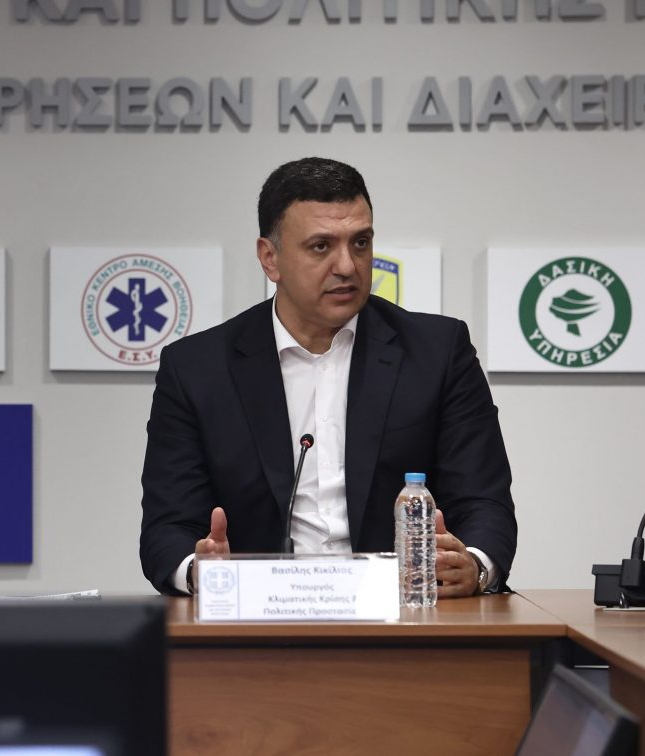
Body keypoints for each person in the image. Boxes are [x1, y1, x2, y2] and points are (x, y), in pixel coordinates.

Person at [139, 157, 516, 598]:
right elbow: (167, 527)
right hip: (258, 615)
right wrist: (198, 571)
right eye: (321, 246)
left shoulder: (437, 352)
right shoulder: (198, 369)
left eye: (360, 243)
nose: (347, 266)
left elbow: (484, 501)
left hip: (405, 614)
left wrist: (474, 565)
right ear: (270, 258)